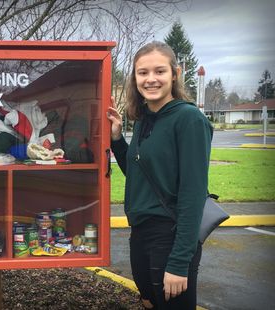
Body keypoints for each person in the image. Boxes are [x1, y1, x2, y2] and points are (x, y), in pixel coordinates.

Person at [107, 41, 213, 309]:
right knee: (148, 302)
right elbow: (138, 173)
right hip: (140, 233)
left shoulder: (189, 119)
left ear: (175, 74)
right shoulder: (144, 118)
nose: (150, 79)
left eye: (159, 71)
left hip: (170, 233)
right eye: (142, 73)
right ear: (134, 77)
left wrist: (179, 262)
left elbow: (193, 195)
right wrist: (118, 139)